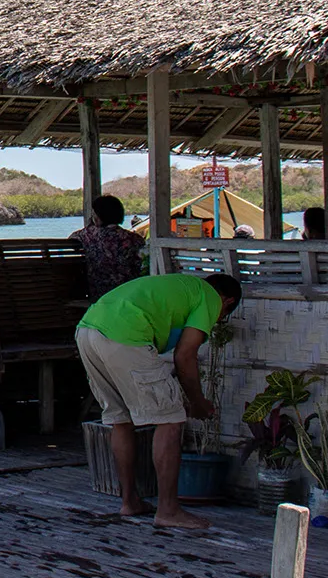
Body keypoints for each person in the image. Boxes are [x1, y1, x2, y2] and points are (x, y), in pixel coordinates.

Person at [75, 272, 242, 530]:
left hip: (87, 330)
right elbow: (185, 355)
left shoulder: (182, 286)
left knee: (121, 419)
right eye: (222, 317)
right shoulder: (210, 297)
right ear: (227, 301)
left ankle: (130, 501)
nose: (217, 320)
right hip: (124, 334)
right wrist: (197, 401)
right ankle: (168, 510)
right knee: (171, 419)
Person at [67, 195, 145, 300]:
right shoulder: (133, 238)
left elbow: (71, 238)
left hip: (99, 292)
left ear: (98, 216)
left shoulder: (88, 235)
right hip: (129, 291)